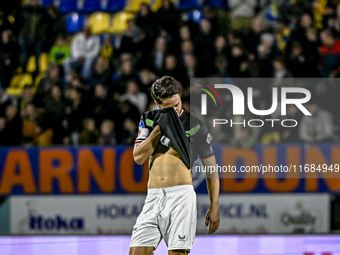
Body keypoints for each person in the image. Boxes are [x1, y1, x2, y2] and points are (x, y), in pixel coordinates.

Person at [129, 76, 220, 255]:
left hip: (181, 197)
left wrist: (214, 206)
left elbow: (212, 169)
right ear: (157, 104)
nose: (176, 110)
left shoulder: (195, 125)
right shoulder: (148, 119)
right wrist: (158, 130)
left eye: (177, 104)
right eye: (169, 108)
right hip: (153, 198)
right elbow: (138, 157)